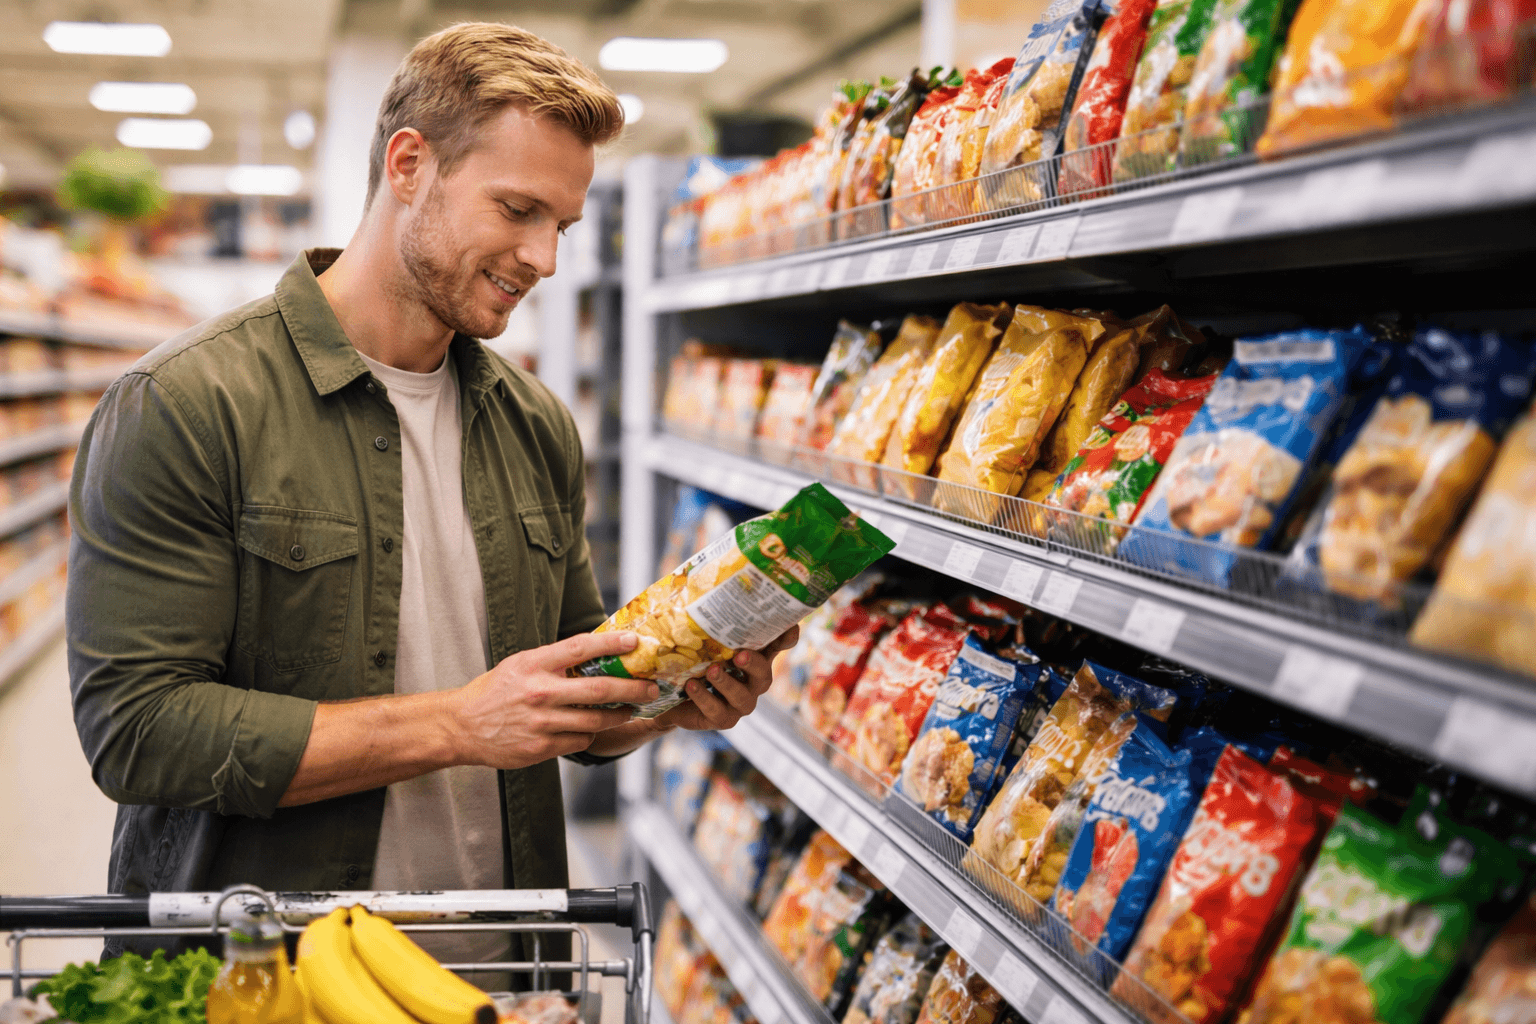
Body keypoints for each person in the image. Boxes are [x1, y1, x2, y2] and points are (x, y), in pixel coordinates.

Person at [66, 22, 796, 971]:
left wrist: (672, 696)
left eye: (562, 226)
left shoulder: (533, 422)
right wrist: (456, 722)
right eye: (518, 209)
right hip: (268, 976)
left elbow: (569, 698)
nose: (545, 258)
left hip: (496, 973)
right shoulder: (188, 403)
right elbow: (138, 731)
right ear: (408, 164)